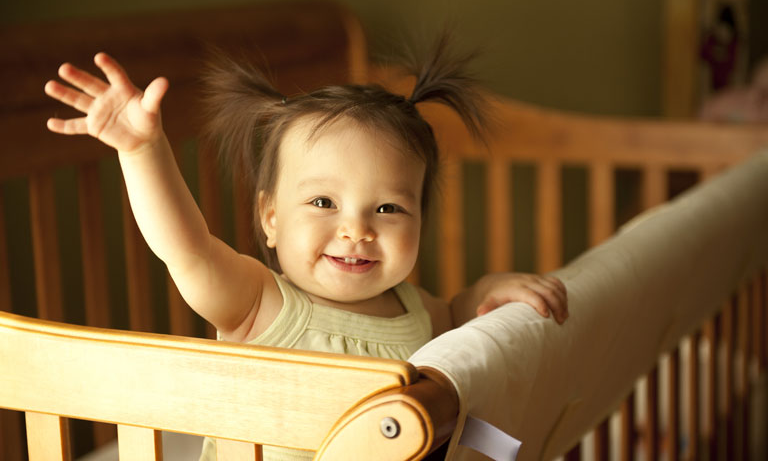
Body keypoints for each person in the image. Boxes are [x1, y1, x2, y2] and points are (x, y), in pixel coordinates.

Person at [45, 34, 568, 460]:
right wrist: (141, 151)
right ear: (270, 218)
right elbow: (188, 249)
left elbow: (460, 326)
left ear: (421, 221)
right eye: (323, 202)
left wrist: (487, 290)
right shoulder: (259, 303)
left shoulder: (417, 310)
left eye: (388, 209)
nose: (355, 230)